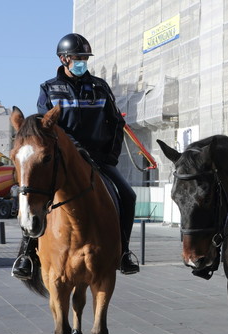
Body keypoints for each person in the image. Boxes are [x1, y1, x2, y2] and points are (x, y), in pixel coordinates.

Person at [11, 33, 139, 279]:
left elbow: (115, 124)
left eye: (85, 58)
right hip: (65, 161)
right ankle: (27, 254)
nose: (82, 62)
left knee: (129, 196)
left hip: (99, 160)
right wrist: (74, 150)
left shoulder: (100, 87)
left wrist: (110, 156)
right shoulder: (48, 88)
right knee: (36, 195)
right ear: (63, 59)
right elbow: (45, 129)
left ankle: (123, 252)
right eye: (77, 58)